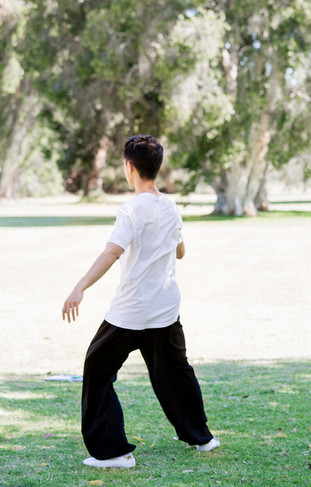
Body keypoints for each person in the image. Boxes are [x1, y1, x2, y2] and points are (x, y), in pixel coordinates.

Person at [61, 135, 219, 469]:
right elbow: (181, 250)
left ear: (129, 167)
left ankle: (114, 453)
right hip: (165, 308)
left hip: (132, 312)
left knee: (97, 369)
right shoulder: (170, 206)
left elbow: (112, 252)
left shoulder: (132, 209)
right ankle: (202, 437)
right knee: (175, 372)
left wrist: (80, 287)